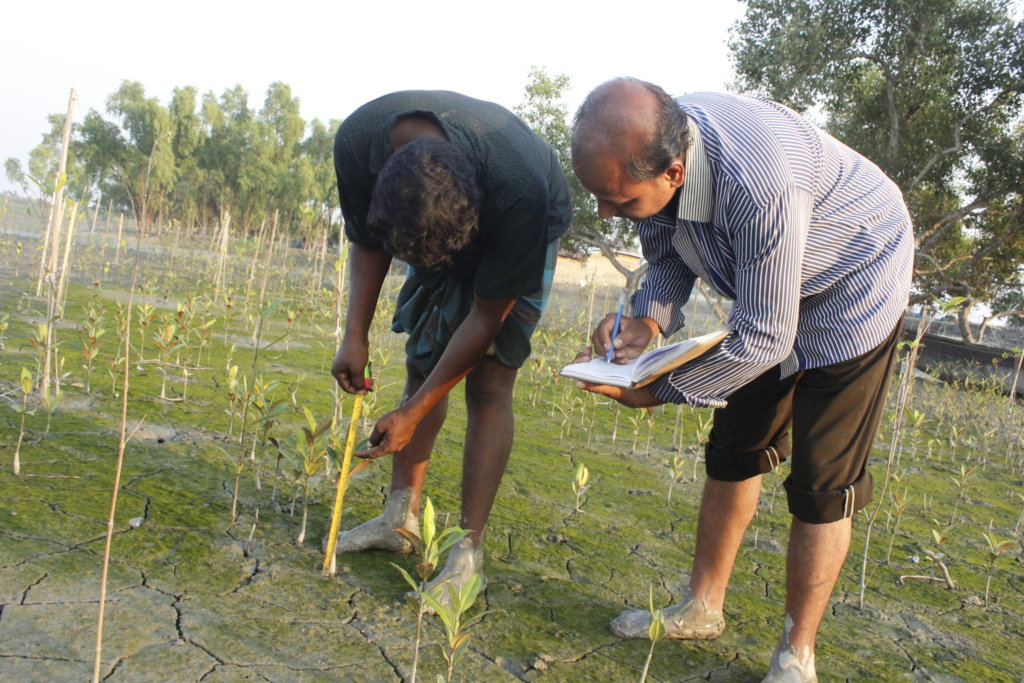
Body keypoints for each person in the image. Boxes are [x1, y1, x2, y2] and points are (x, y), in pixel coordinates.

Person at [569, 78, 913, 682]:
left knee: (821, 478)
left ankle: (795, 655)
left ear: (674, 173)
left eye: (618, 201)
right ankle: (701, 607)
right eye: (598, 195)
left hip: (857, 278)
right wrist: (646, 319)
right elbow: (670, 257)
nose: (605, 212)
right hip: (772, 297)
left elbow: (766, 338)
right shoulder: (654, 153)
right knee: (734, 449)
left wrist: (656, 392)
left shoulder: (760, 185)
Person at [328, 90, 571, 599]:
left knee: (489, 382)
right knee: (423, 361)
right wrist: (355, 335)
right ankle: (400, 521)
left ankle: (467, 556)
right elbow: (368, 240)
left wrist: (414, 412)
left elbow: (486, 316)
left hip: (526, 226)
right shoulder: (358, 143)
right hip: (440, 210)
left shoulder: (520, 190)